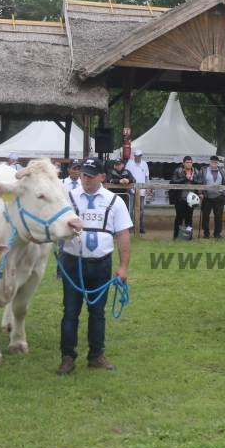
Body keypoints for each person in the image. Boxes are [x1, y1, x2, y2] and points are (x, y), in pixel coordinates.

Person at [56, 157, 131, 375]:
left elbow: (123, 234)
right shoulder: (66, 198)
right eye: (83, 174)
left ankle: (96, 355)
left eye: (90, 175)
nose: (85, 179)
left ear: (102, 177)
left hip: (101, 264)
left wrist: (123, 266)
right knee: (70, 312)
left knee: (97, 312)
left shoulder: (115, 201)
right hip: (72, 262)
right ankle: (67, 357)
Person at [198, 155, 225, 238]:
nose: (214, 163)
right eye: (212, 162)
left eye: (216, 162)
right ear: (210, 162)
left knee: (218, 216)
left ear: (218, 163)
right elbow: (200, 182)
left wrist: (224, 193)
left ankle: (217, 233)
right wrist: (200, 193)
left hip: (219, 197)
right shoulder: (204, 170)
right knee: (205, 216)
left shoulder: (221, 171)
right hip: (207, 197)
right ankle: (206, 233)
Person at [170, 155, 199, 239]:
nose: (189, 164)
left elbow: (200, 181)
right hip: (180, 199)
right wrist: (184, 178)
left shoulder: (196, 171)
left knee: (189, 219)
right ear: (183, 163)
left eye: (190, 162)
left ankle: (188, 237)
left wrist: (193, 180)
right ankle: (176, 237)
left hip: (192, 200)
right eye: (187, 162)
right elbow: (173, 181)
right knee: (179, 218)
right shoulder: (178, 170)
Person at [124, 149, 149, 234]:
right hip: (131, 190)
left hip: (141, 191)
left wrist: (147, 187)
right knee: (130, 209)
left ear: (141, 156)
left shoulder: (144, 164)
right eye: (137, 156)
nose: (138, 158)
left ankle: (140, 227)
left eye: (140, 156)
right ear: (134, 156)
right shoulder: (129, 163)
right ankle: (130, 227)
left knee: (141, 209)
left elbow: (146, 177)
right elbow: (125, 174)